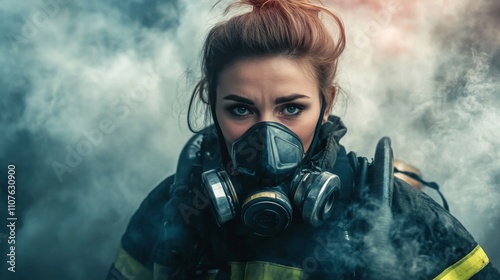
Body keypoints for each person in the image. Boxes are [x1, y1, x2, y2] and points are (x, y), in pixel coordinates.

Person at [107, 0, 500, 279]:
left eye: (291, 109)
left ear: (326, 105)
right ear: (213, 108)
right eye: (240, 110)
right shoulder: (176, 207)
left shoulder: (388, 209)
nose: (265, 137)